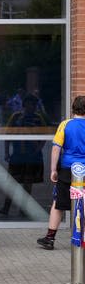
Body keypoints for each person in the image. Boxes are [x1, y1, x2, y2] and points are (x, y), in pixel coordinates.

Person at [37, 96, 85, 250]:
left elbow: (56, 148)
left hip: (67, 169)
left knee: (58, 204)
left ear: (73, 109)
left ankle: (50, 238)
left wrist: (52, 170)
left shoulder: (65, 125)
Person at [0, 94, 48, 215]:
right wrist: (6, 152)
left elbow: (45, 135)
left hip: (32, 156)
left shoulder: (38, 118)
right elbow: (8, 134)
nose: (31, 106)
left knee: (28, 182)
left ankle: (23, 209)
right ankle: (6, 207)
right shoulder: (16, 117)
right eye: (29, 103)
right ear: (24, 104)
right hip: (18, 154)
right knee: (12, 182)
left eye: (33, 104)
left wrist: (38, 148)